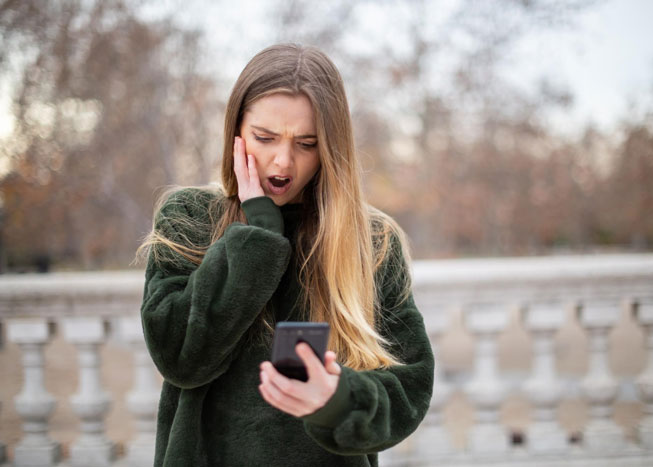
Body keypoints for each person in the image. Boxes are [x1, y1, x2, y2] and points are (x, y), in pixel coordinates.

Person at [137, 43, 434, 467]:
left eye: (307, 143)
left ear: (330, 148)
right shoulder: (189, 217)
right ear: (236, 131)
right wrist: (256, 233)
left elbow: (409, 387)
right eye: (265, 137)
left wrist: (336, 402)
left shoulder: (371, 240)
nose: (283, 160)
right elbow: (181, 357)